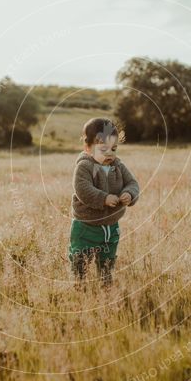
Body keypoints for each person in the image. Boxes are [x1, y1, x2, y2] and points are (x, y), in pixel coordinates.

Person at [68, 117, 140, 286]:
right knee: (80, 259)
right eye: (103, 149)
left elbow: (132, 183)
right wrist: (104, 198)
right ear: (88, 148)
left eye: (113, 148)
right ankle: (79, 286)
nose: (109, 153)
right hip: (86, 226)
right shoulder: (84, 166)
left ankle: (105, 285)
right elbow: (82, 189)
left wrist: (129, 194)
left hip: (111, 226)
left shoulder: (118, 165)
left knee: (107, 260)